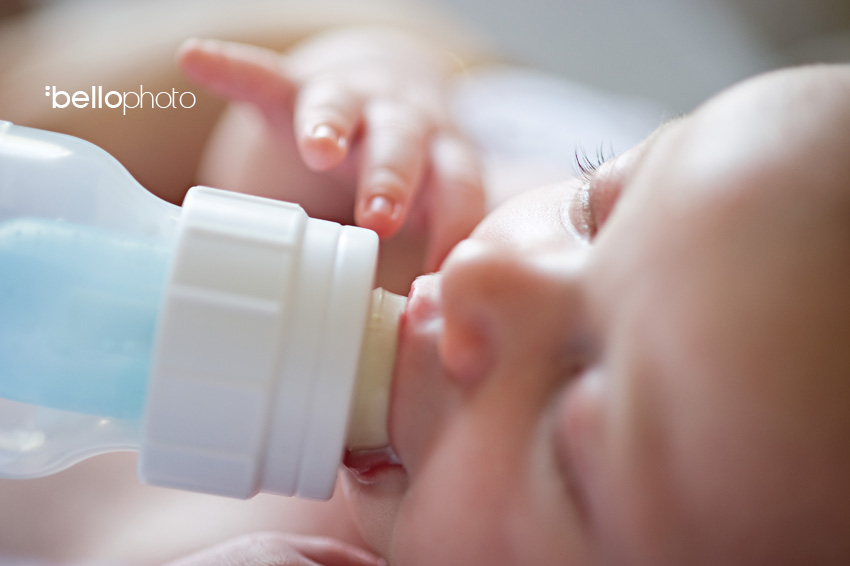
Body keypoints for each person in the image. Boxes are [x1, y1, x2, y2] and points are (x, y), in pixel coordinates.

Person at [2, 14, 850, 566]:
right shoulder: (463, 196)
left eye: (569, 434)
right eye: (594, 207)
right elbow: (421, 75)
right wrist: (340, 124)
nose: (495, 274)